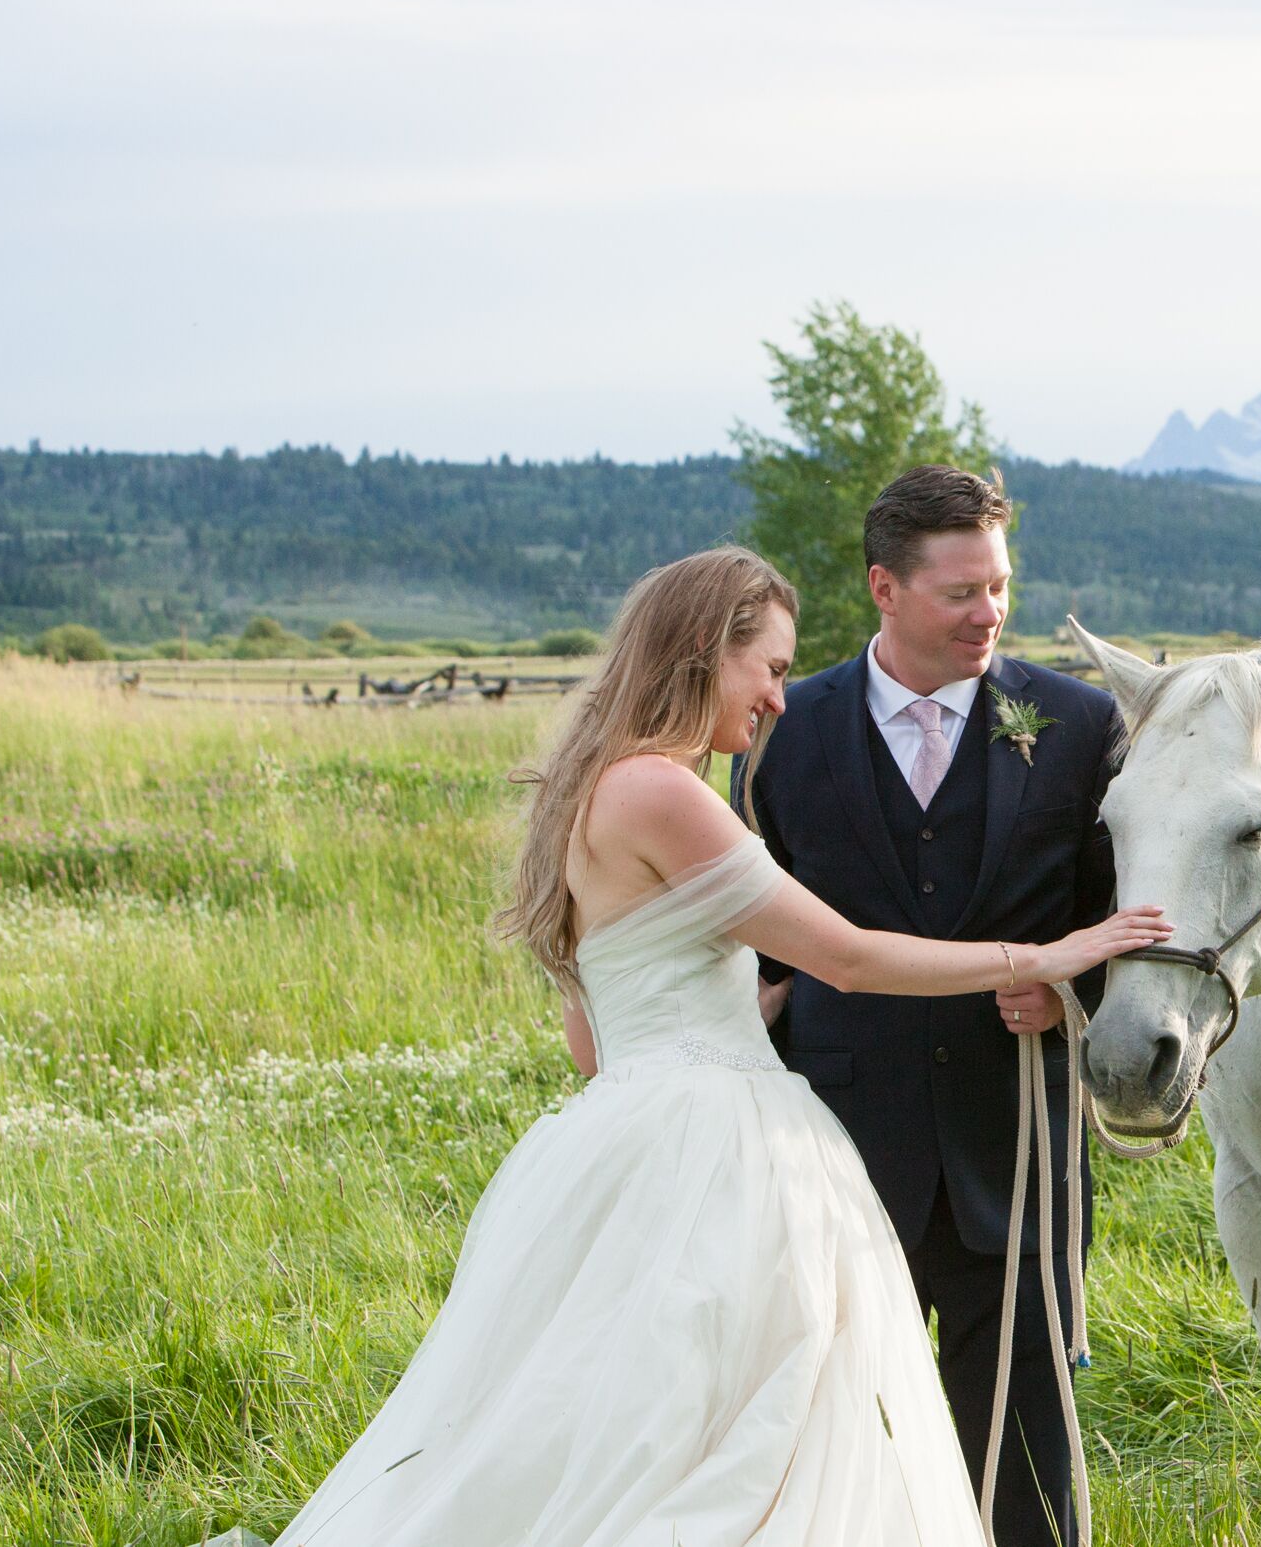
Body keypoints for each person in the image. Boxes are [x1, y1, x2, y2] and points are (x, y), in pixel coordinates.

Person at [271, 545, 1168, 1546]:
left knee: (654, 1425)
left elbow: (591, 1038)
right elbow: (852, 956)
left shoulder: (587, 788)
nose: (779, 702)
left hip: (631, 1134)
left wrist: (738, 998)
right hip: (720, 1145)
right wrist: (1048, 951)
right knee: (753, 1436)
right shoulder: (662, 790)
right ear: (706, 651)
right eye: (770, 669)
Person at [738, 466, 1122, 1547]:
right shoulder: (783, 729)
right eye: (960, 591)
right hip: (837, 1143)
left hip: (1019, 1141)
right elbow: (757, 931)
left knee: (1028, 1446)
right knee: (835, 1430)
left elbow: (1117, 923)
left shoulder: (1081, 726)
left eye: (998, 585)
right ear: (883, 587)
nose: (989, 612)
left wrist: (1067, 995)